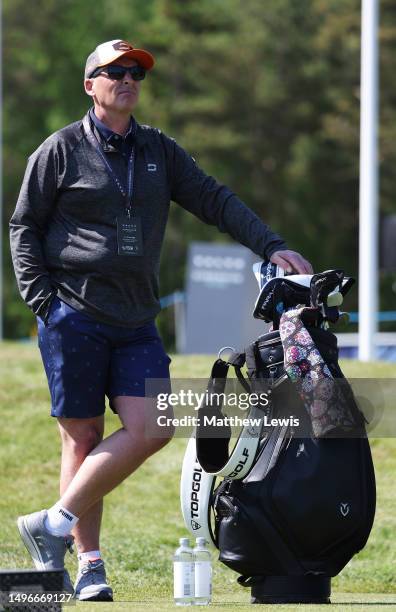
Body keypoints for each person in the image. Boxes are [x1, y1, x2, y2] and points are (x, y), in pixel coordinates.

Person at [9, 39, 313, 601]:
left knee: (155, 428)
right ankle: (88, 566)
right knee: (83, 439)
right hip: (71, 313)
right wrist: (43, 302)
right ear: (90, 85)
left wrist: (270, 246)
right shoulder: (59, 150)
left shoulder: (159, 151)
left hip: (135, 320)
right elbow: (23, 227)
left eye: (136, 74)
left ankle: (50, 524)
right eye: (115, 72)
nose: (128, 80)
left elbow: (215, 200)